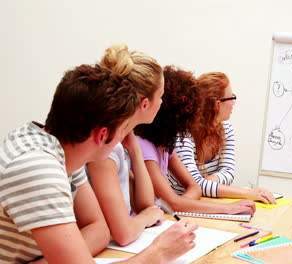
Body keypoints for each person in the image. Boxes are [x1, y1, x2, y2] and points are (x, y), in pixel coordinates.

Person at [0, 51, 197, 264]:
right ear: (102, 134)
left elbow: (99, 229)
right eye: (123, 129)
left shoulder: (63, 149)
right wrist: (159, 253)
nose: (125, 137)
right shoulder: (38, 168)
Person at [135, 66, 256, 214]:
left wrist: (181, 203)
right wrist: (228, 208)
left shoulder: (166, 145)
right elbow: (174, 202)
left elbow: (195, 188)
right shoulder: (144, 147)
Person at [86, 44, 165, 246]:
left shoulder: (122, 143)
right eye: (160, 96)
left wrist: (136, 152)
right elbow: (124, 233)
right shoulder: (105, 147)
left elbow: (146, 205)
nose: (162, 103)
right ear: (144, 103)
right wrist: (144, 219)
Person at [175, 72, 276, 204]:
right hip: (178, 209)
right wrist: (247, 193)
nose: (234, 103)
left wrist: (209, 182)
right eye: (231, 97)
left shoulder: (225, 128)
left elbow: (228, 172)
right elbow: (194, 186)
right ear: (217, 104)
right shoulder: (182, 135)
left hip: (207, 202)